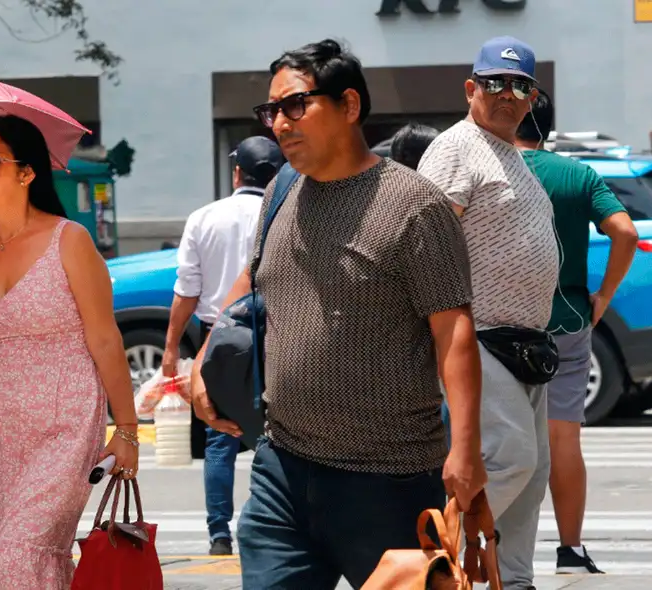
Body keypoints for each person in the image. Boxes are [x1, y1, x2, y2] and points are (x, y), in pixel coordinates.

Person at [188, 39, 486, 589]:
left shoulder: (414, 205)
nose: (280, 123)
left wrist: (465, 449)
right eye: (271, 110)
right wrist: (203, 359)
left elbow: (454, 332)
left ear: (349, 105)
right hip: (282, 467)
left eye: (296, 105)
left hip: (389, 479)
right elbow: (249, 283)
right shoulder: (280, 189)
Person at [0, 114, 140, 589]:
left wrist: (127, 431)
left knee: (21, 552)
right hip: (1, 429)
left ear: (27, 172)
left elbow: (105, 340)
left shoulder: (70, 241)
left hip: (65, 423)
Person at [418, 36, 560, 590]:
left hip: (525, 340)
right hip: (475, 335)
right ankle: (432, 559)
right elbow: (427, 243)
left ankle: (515, 581)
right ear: (471, 88)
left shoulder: (512, 155)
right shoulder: (458, 146)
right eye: (495, 83)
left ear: (532, 97)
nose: (507, 94)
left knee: (532, 476)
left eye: (519, 85)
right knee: (511, 460)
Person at [514, 88, 638, 574]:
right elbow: (625, 232)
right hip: (566, 321)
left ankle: (493, 548)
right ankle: (570, 549)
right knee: (563, 441)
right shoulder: (578, 174)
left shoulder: (488, 170)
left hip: (499, 327)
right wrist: (602, 297)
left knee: (499, 440)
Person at [162, 135, 283, 556]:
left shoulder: (204, 217)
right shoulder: (285, 211)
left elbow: (187, 291)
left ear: (237, 173)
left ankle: (219, 533)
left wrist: (171, 348)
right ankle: (271, 528)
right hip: (277, 333)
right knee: (278, 436)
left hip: (220, 338)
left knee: (220, 436)